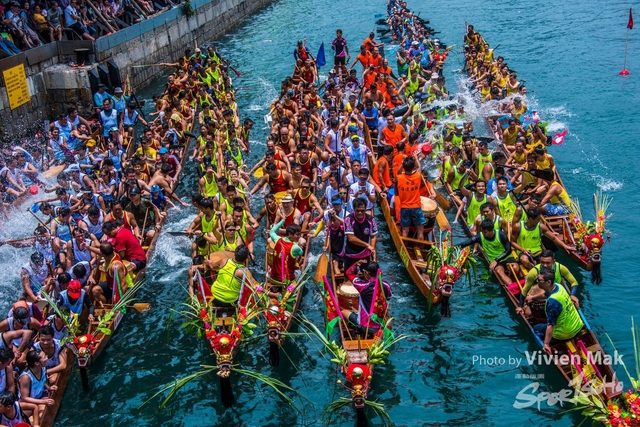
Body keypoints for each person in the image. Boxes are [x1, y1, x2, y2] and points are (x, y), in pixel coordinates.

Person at [530, 268, 584, 355]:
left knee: (535, 329)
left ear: (548, 282)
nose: (537, 281)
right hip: (577, 325)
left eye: (539, 280)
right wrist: (532, 297)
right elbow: (545, 294)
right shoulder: (559, 286)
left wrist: (546, 344)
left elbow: (550, 325)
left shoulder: (553, 302)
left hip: (564, 333)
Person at [517, 250, 580, 317]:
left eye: (548, 263)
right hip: (538, 299)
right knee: (528, 314)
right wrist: (520, 306)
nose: (545, 265)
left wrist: (572, 295)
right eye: (542, 262)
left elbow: (574, 282)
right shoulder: (534, 272)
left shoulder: (561, 268)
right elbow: (525, 289)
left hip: (555, 296)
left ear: (554, 261)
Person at [457, 219, 518, 284]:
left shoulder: (501, 234)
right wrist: (454, 247)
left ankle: (510, 276)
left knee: (516, 268)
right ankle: (512, 286)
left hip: (506, 257)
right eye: (482, 231)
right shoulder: (480, 236)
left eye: (485, 232)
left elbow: (509, 250)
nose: (483, 234)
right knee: (499, 272)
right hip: (495, 262)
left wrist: (496, 260)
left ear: (491, 230)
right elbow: (466, 243)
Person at [342, 261, 392, 334]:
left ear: (366, 273)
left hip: (367, 327)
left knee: (343, 312)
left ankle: (355, 329)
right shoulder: (386, 285)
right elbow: (388, 298)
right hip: (383, 325)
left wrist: (356, 263)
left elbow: (349, 273)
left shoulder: (362, 286)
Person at [18, 350, 56, 420]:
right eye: (44, 357)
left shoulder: (43, 367)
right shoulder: (26, 377)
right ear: (36, 363)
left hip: (41, 396)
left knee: (44, 415)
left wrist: (49, 388)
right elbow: (24, 398)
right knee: (24, 418)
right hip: (29, 402)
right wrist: (43, 402)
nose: (47, 358)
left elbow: (42, 381)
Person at [344, 198, 378, 271]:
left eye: (362, 210)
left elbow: (373, 237)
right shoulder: (349, 219)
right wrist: (367, 245)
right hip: (351, 254)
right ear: (354, 209)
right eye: (357, 210)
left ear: (365, 209)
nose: (360, 213)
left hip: (365, 254)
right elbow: (351, 238)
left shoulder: (371, 220)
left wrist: (372, 251)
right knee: (348, 276)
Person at [395, 156, 425, 240]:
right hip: (416, 207)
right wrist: (416, 158)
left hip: (404, 207)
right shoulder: (418, 176)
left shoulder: (398, 178)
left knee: (405, 230)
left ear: (404, 167)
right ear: (413, 167)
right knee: (420, 229)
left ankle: (404, 244)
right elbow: (419, 167)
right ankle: (420, 245)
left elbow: (398, 172)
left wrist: (402, 164)